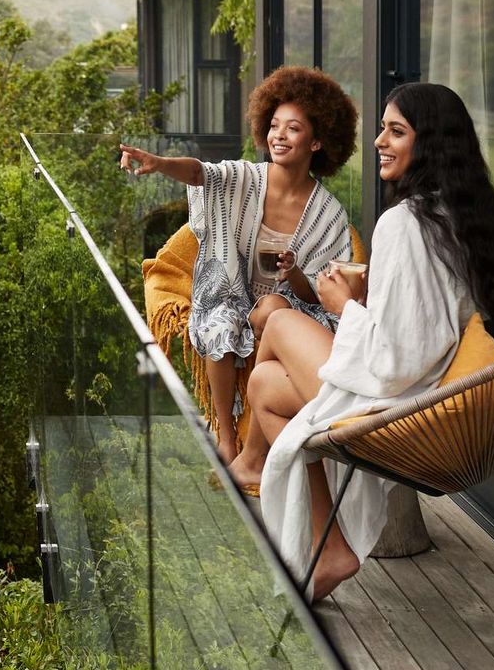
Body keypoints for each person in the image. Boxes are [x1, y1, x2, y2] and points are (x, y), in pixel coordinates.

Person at [229, 82, 494, 601]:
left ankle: (301, 513)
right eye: (382, 129)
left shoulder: (405, 223)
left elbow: (396, 359)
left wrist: (342, 306)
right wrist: (373, 285)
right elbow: (433, 308)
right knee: (263, 383)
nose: (379, 142)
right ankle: (325, 541)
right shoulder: (463, 214)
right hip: (442, 386)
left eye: (397, 131)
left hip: (405, 401)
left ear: (431, 143)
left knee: (276, 323)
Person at [120, 66, 358, 464]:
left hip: (291, 311)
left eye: (293, 129)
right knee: (220, 319)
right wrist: (159, 163)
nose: (279, 136)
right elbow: (200, 173)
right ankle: (227, 439)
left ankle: (255, 433)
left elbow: (319, 297)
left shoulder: (327, 213)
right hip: (235, 294)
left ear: (317, 142)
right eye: (275, 125)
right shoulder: (244, 178)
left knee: (271, 307)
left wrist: (294, 272)